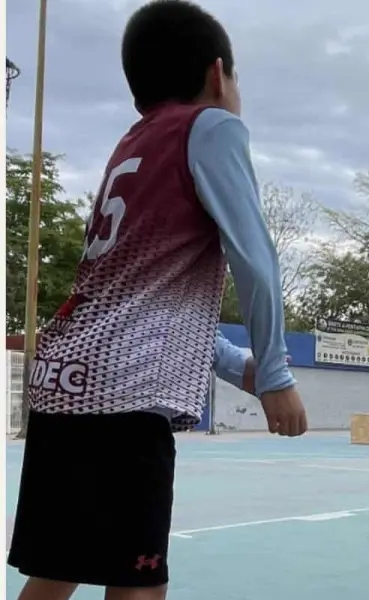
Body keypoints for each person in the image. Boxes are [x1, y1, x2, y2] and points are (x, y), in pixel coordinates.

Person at [6, 2, 308, 598]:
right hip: (122, 397)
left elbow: (149, 305)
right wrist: (274, 371)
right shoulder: (212, 127)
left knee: (57, 571)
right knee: (139, 583)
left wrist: (241, 370)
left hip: (63, 383)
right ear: (218, 74)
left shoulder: (132, 145)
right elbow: (256, 260)